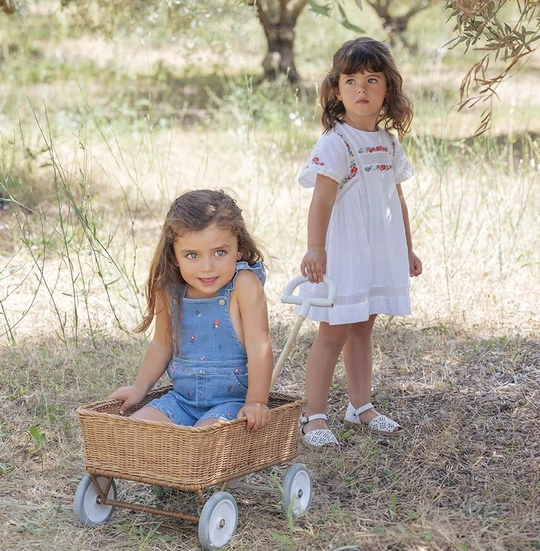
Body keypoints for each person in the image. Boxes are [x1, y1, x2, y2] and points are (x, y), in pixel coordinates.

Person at [298, 37, 422, 448]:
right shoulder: (337, 143)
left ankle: (360, 406)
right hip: (344, 254)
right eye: (351, 81)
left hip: (377, 252)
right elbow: (322, 199)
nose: (362, 90)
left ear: (389, 89)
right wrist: (316, 248)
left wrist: (405, 247)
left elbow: (395, 199)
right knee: (333, 330)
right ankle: (314, 416)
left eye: (372, 80)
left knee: (363, 328)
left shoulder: (388, 143)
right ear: (336, 90)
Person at [109, 189, 273, 432]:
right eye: (192, 255)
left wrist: (256, 402)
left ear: (238, 248)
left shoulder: (243, 285)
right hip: (182, 401)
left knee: (204, 439)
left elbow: (260, 345)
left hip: (232, 402)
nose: (207, 267)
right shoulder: (169, 289)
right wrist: (139, 388)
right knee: (134, 431)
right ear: (174, 256)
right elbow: (161, 344)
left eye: (220, 252)